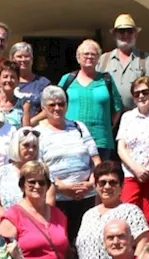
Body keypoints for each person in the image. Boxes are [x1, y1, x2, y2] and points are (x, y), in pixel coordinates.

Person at [37, 85, 101, 238]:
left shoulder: (79, 127)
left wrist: (91, 183)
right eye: (52, 105)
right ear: (43, 107)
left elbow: (96, 160)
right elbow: (40, 168)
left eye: (61, 104)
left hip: (87, 196)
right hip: (58, 200)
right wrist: (62, 187)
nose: (57, 108)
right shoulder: (37, 133)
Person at [115, 75, 149, 242]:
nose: (141, 96)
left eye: (145, 92)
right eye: (136, 93)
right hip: (131, 174)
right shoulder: (127, 117)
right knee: (126, 215)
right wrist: (136, 168)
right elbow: (121, 147)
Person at [60, 39, 123, 163]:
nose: (89, 57)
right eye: (85, 54)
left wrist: (108, 126)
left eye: (93, 54)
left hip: (101, 141)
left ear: (98, 58)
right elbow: (55, 102)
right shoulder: (67, 79)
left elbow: (117, 107)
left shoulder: (106, 79)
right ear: (78, 58)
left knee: (101, 179)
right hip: (72, 140)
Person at [99, 14, 149, 112]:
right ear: (114, 35)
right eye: (121, 31)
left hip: (136, 118)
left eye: (129, 31)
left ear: (135, 34)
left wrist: (148, 116)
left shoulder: (146, 60)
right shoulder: (103, 60)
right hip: (109, 117)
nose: (125, 35)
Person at [0, 127, 41, 209]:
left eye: (34, 146)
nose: (31, 150)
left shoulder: (41, 172)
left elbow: (48, 202)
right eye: (26, 145)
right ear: (16, 146)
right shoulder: (2, 172)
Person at [9, 42, 49, 123]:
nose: (23, 59)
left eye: (27, 56)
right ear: (12, 59)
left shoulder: (43, 83)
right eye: (19, 56)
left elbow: (49, 108)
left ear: (32, 59)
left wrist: (30, 122)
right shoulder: (7, 82)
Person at [0, 61, 26, 128]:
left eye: (12, 77)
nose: (9, 80)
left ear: (18, 81)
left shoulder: (23, 104)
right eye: (5, 77)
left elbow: (26, 132)